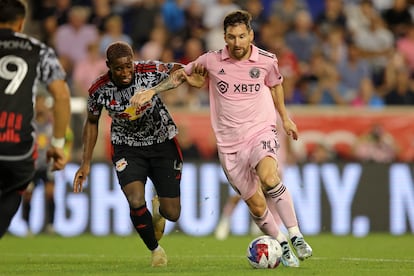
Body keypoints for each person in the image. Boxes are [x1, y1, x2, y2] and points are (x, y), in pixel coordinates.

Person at [130, 10, 312, 267]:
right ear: (224, 37)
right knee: (257, 206)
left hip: (260, 131)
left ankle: (296, 235)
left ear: (251, 35)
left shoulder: (267, 60)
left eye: (241, 36)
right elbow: (182, 75)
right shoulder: (212, 61)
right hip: (229, 145)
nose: (237, 43)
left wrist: (285, 118)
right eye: (231, 37)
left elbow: (276, 84)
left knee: (270, 178)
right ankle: (281, 243)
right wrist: (153, 91)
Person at [72, 41, 196, 268]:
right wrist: (85, 163)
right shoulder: (98, 89)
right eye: (119, 68)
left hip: (162, 142)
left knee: (173, 213)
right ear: (109, 66)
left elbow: (180, 69)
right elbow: (91, 123)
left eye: (129, 66)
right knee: (135, 199)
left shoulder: (148, 71)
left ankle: (158, 211)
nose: (126, 72)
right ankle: (156, 251)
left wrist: (170, 84)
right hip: (126, 148)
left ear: (133, 61)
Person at [0, 0, 71, 239]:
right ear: (21, 23)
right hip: (17, 145)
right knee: (16, 187)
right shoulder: (38, 50)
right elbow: (61, 95)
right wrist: (58, 145)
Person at [22, 93, 73, 235]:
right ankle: (27, 227)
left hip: (48, 166)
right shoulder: (29, 125)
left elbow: (68, 138)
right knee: (28, 195)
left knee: (50, 194)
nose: (40, 106)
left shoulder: (53, 125)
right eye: (38, 103)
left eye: (42, 103)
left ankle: (50, 225)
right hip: (32, 167)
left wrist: (64, 155)